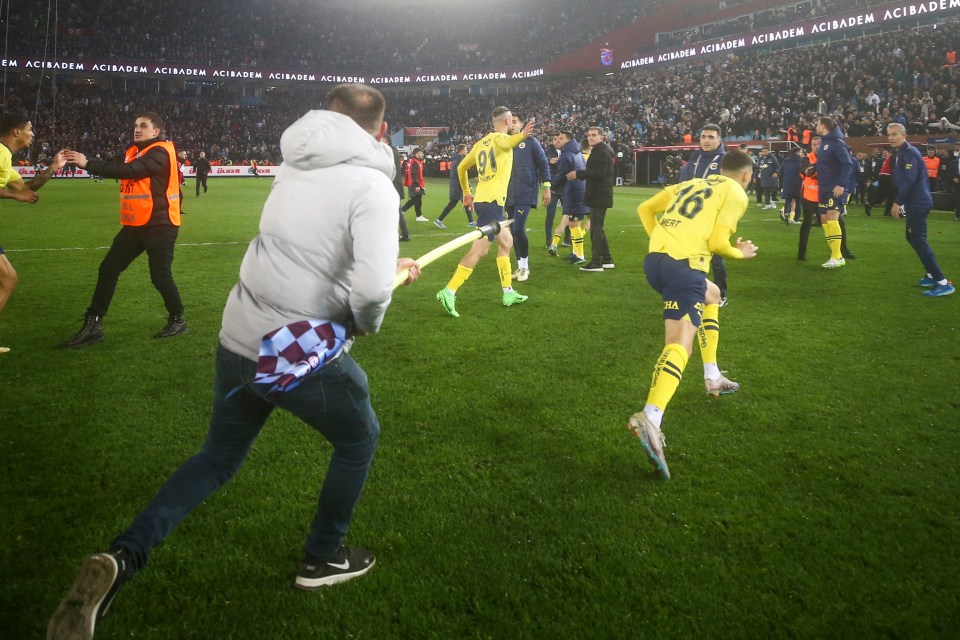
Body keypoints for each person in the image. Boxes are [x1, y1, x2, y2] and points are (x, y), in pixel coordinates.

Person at [47, 84, 422, 640]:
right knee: (358, 440)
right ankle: (322, 559)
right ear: (382, 131)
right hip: (293, 349)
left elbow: (315, 253)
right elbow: (368, 290)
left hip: (239, 332)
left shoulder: (293, 166)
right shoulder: (373, 184)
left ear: (324, 117)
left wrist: (386, 268)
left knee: (216, 458)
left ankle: (125, 556)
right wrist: (366, 318)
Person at [630, 150, 758, 479]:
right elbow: (718, 242)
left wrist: (662, 242)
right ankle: (651, 417)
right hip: (683, 267)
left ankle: (712, 375)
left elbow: (645, 208)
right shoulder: (735, 191)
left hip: (656, 261)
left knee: (712, 294)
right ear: (745, 175)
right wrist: (740, 253)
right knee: (679, 346)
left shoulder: (691, 182)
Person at [60, 112, 188, 348]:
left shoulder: (160, 150)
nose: (137, 129)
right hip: (136, 224)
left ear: (156, 131)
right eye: (135, 126)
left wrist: (87, 163)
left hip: (160, 225)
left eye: (143, 126)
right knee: (108, 269)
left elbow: (130, 171)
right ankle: (94, 324)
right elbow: (118, 167)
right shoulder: (134, 151)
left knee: (160, 276)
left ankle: (178, 318)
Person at [436, 107, 534, 317]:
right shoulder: (501, 138)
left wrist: (466, 192)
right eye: (512, 121)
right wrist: (522, 135)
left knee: (506, 242)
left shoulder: (481, 143)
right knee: (479, 251)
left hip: (484, 200)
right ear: (508, 121)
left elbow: (462, 167)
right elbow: (508, 142)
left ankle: (508, 292)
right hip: (491, 203)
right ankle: (449, 290)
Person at [0, 113, 67, 353]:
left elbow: (28, 188)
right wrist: (14, 195)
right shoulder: (0, 153)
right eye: (30, 128)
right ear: (16, 132)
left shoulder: (6, 157)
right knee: (7, 279)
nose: (33, 133)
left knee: (8, 279)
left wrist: (54, 167)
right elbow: (19, 193)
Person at [887, 123, 954, 297]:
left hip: (918, 202)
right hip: (915, 202)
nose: (891, 137)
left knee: (919, 240)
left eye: (894, 134)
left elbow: (909, 180)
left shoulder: (909, 153)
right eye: (889, 134)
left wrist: (897, 202)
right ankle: (931, 275)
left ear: (904, 135)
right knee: (912, 237)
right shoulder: (902, 153)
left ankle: (942, 282)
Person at [676, 124, 730, 305]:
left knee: (715, 255)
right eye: (703, 137)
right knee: (689, 254)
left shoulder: (725, 160)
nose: (706, 140)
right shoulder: (695, 157)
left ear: (719, 140)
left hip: (714, 216)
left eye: (711, 137)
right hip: (691, 214)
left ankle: (721, 295)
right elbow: (683, 182)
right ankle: (696, 290)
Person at [505, 115, 551, 282]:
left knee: (518, 228)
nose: (512, 124)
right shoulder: (504, 143)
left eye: (515, 121)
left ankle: (525, 267)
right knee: (513, 232)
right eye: (510, 121)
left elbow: (543, 164)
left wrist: (547, 187)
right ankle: (520, 266)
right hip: (508, 194)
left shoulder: (531, 142)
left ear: (522, 125)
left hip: (525, 191)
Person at [813, 117, 854, 269]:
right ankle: (835, 255)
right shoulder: (825, 142)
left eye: (817, 124)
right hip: (824, 187)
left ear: (823, 126)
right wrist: (813, 167)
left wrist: (841, 184)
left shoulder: (837, 143)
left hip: (834, 188)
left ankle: (837, 256)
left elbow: (848, 164)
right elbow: (824, 162)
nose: (816, 126)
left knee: (832, 217)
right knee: (824, 219)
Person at [573, 126, 616, 272]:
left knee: (596, 230)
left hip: (599, 194)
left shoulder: (601, 152)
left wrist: (579, 173)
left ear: (601, 137)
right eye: (589, 135)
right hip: (600, 194)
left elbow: (600, 172)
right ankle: (607, 259)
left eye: (593, 135)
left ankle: (597, 262)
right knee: (598, 228)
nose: (590, 137)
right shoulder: (602, 151)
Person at [547, 130, 588, 264]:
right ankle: (576, 252)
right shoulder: (577, 152)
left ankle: (580, 255)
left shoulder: (566, 154)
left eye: (561, 138)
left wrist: (551, 187)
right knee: (572, 223)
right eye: (557, 138)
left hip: (574, 191)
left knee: (574, 222)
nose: (558, 140)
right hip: (577, 189)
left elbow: (561, 174)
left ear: (568, 140)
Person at [434, 144, 475, 228]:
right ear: (462, 150)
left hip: (456, 185)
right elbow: (461, 174)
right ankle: (439, 220)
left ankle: (439, 220)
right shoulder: (460, 160)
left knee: (455, 203)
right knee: (465, 202)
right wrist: (468, 185)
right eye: (466, 150)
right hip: (458, 186)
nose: (467, 151)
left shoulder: (455, 160)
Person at [401, 147, 429, 222]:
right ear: (416, 153)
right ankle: (401, 211)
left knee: (418, 199)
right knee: (415, 199)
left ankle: (419, 216)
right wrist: (417, 185)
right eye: (421, 153)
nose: (422, 154)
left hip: (414, 182)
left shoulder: (413, 160)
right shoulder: (415, 162)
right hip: (415, 183)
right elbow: (413, 174)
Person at [779, 147, 803, 225]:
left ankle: (786, 213)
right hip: (798, 183)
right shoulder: (801, 160)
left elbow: (781, 171)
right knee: (798, 202)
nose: (802, 153)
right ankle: (796, 219)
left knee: (788, 201)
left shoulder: (786, 160)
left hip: (787, 184)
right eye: (801, 152)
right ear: (797, 152)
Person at [947, 143, 960, 222]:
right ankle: (958, 216)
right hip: (956, 184)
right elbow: (949, 173)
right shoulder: (953, 163)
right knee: (957, 200)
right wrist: (953, 178)